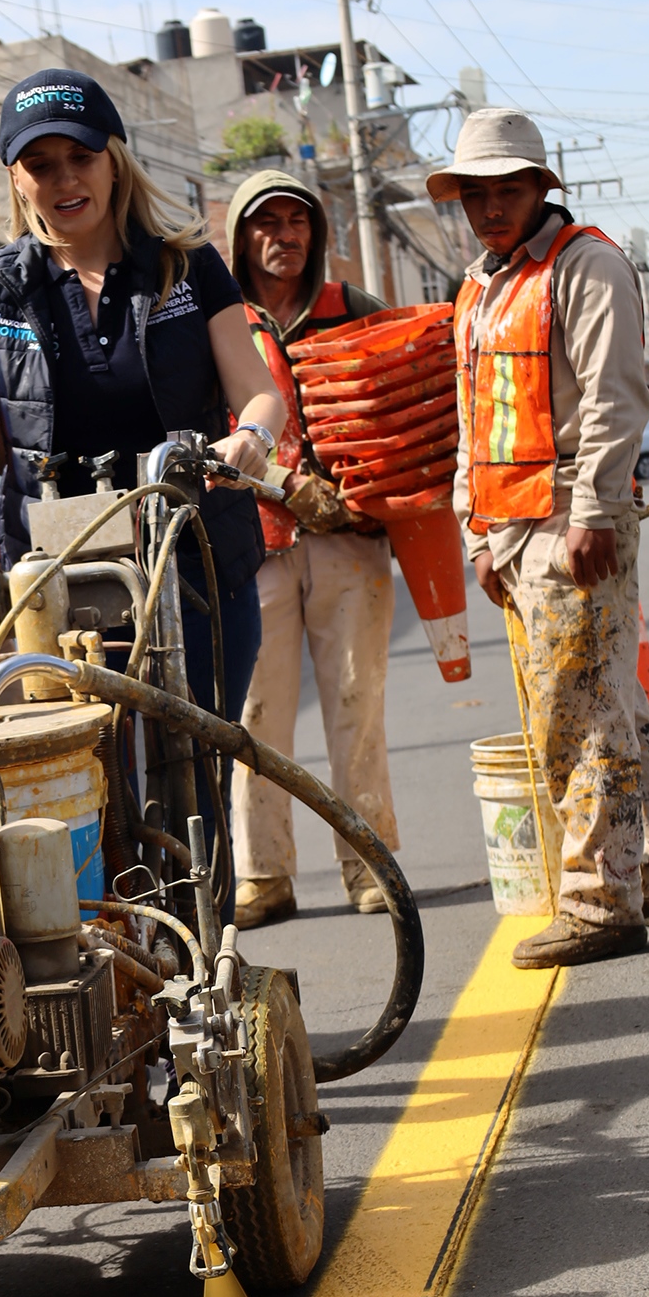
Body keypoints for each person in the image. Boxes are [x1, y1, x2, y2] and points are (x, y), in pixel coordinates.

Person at [0, 67, 286, 899]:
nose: (63, 180)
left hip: (194, 559)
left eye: (78, 156)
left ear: (113, 160)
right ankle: (111, 967)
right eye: (39, 164)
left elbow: (257, 387)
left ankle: (206, 961)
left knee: (194, 775)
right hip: (60, 581)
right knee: (78, 774)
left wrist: (251, 436)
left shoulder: (189, 269)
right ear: (16, 179)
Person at [431, 106, 649, 969]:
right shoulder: (481, 287)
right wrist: (475, 526)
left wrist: (591, 512)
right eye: (477, 192)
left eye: (508, 188)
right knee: (608, 707)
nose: (491, 205)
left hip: (569, 521)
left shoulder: (587, 266)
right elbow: (474, 418)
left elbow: (618, 401)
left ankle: (596, 902)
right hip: (512, 530)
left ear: (542, 187)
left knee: (575, 722)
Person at [220, 169, 397, 928]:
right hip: (252, 544)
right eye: (266, 224)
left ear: (316, 235)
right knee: (255, 719)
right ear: (240, 237)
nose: (282, 237)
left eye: (297, 223)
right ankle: (264, 875)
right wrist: (286, 483)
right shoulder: (216, 325)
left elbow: (399, 403)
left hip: (350, 545)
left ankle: (370, 867)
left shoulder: (354, 312)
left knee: (358, 709)